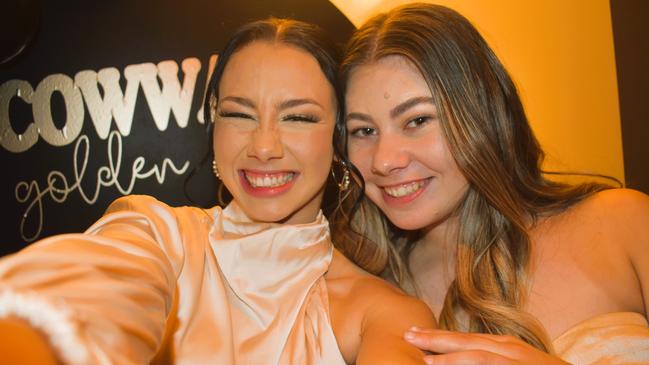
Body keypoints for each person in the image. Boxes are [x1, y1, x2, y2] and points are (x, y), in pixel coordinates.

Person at [0, 17, 435, 365]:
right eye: (238, 115)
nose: (264, 147)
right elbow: (83, 296)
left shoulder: (384, 314)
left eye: (298, 118)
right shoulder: (159, 235)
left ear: (338, 139)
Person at [339, 3, 649, 364]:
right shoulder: (363, 297)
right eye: (364, 131)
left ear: (483, 114)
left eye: (418, 120)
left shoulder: (622, 225)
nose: (384, 160)